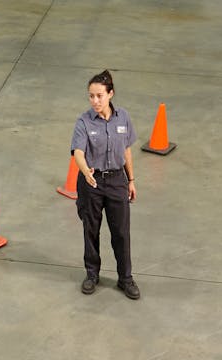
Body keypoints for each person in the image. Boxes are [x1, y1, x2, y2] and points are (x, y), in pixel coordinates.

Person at [70, 69, 140, 300]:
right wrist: (85, 171)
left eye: (99, 95)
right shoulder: (84, 121)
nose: (95, 101)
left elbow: (127, 150)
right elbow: (78, 152)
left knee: (121, 232)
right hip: (92, 181)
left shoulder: (123, 118)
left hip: (117, 180)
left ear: (111, 94)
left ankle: (125, 278)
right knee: (91, 229)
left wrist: (131, 180)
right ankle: (92, 274)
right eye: (91, 96)